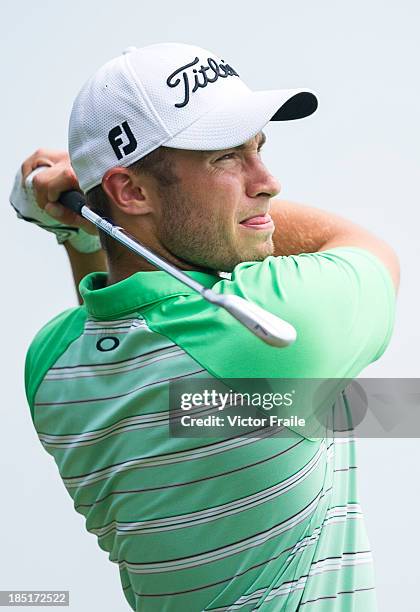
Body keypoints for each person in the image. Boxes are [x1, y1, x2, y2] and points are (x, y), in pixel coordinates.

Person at [13, 43, 399, 611]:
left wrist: (80, 221)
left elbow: (127, 323)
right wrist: (85, 215)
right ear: (133, 191)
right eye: (225, 158)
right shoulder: (268, 326)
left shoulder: (51, 366)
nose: (267, 181)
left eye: (258, 148)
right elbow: (366, 249)